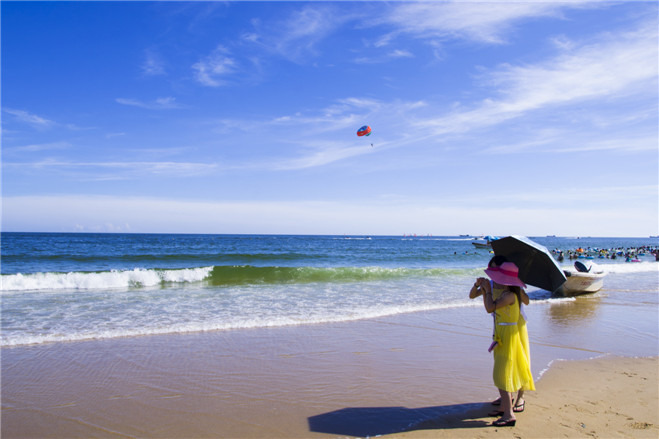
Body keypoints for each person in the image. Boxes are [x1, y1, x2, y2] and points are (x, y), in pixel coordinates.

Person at [469, 258, 535, 427]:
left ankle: (514, 404)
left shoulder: (511, 293)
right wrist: (480, 287)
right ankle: (506, 404)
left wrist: (487, 292)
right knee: (504, 368)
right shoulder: (497, 288)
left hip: (512, 329)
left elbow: (491, 307)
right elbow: (476, 298)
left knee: (514, 365)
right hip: (501, 328)